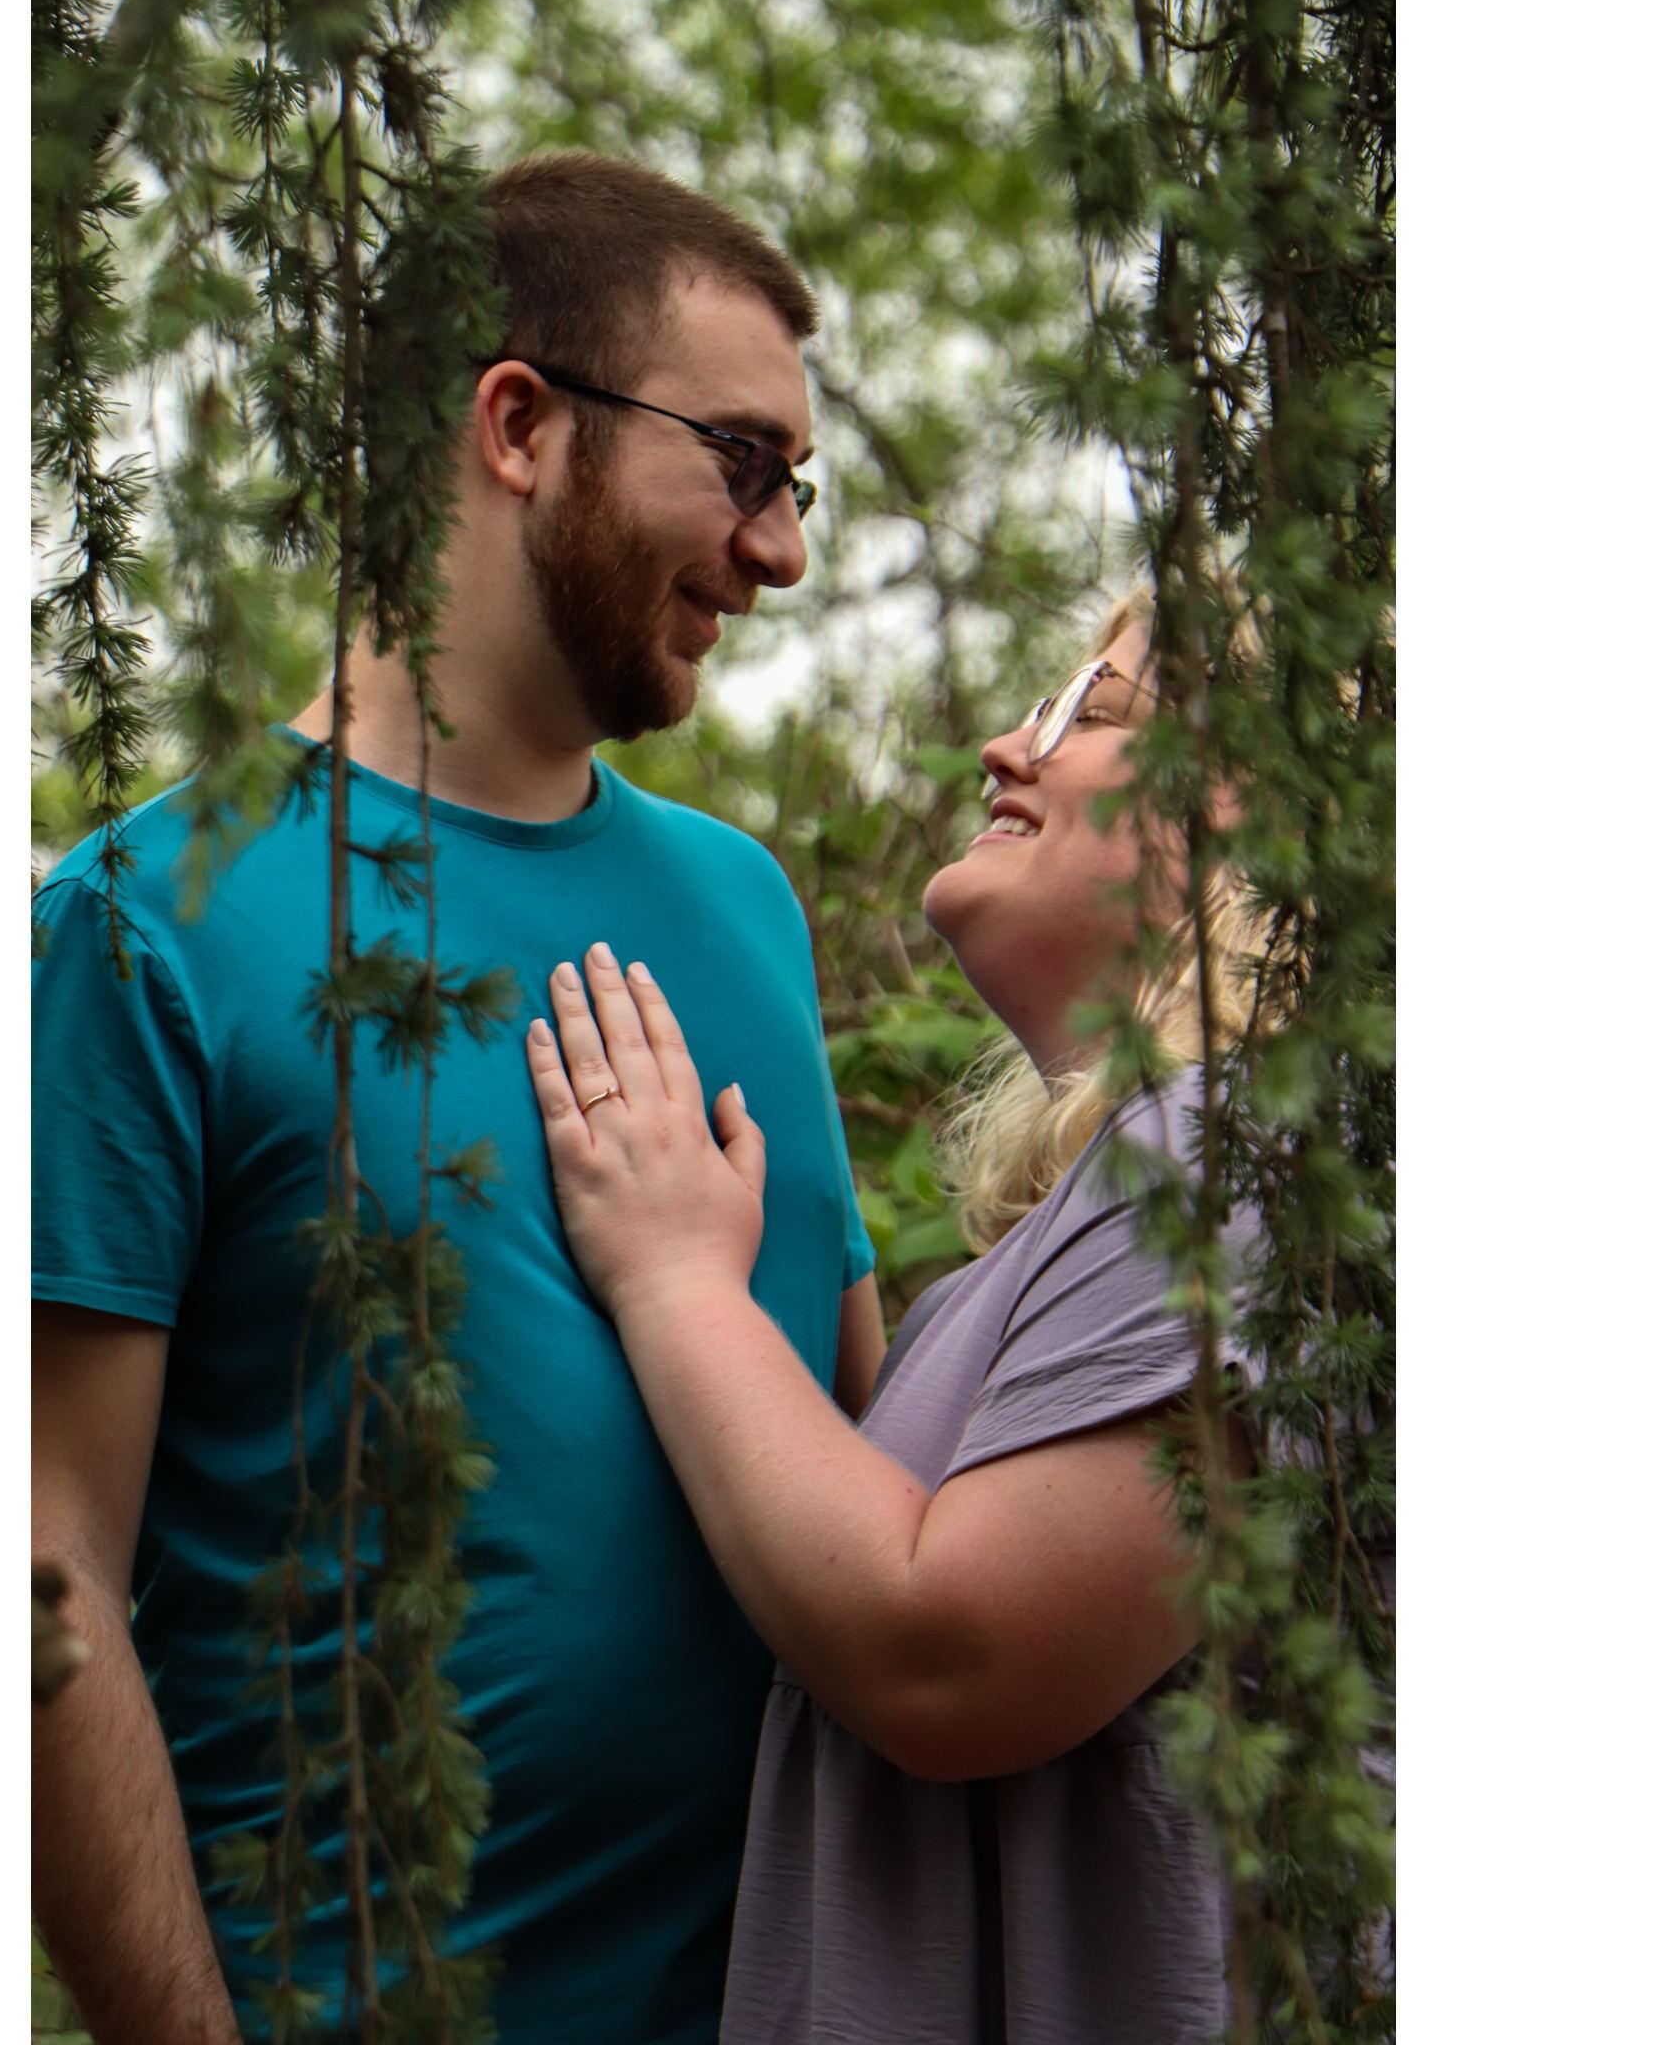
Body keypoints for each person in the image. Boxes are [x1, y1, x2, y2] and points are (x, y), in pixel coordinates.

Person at [32, 151, 884, 2045]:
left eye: (794, 486)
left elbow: (857, 1432)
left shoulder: (746, 907)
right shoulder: (142, 931)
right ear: (519, 423)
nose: (782, 552)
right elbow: (39, 1572)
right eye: (742, 464)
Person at [526, 586, 1278, 2043]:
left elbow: (947, 1655)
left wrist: (677, 1279)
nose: (1007, 746)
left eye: (1089, 716)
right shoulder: (1079, 1227)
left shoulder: (1238, 1165)